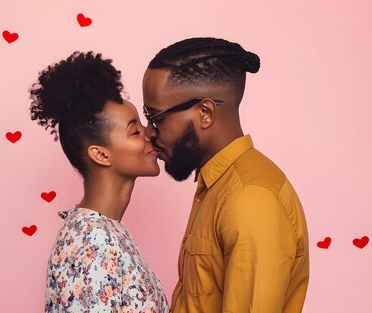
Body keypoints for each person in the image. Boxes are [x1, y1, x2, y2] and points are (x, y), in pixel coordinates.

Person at [142, 37, 309, 312]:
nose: (149, 132)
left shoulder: (251, 198)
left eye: (156, 118)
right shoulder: (217, 185)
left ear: (205, 113)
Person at [30, 51, 169, 312]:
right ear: (101, 154)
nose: (150, 134)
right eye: (135, 130)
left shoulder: (106, 231)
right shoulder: (92, 241)